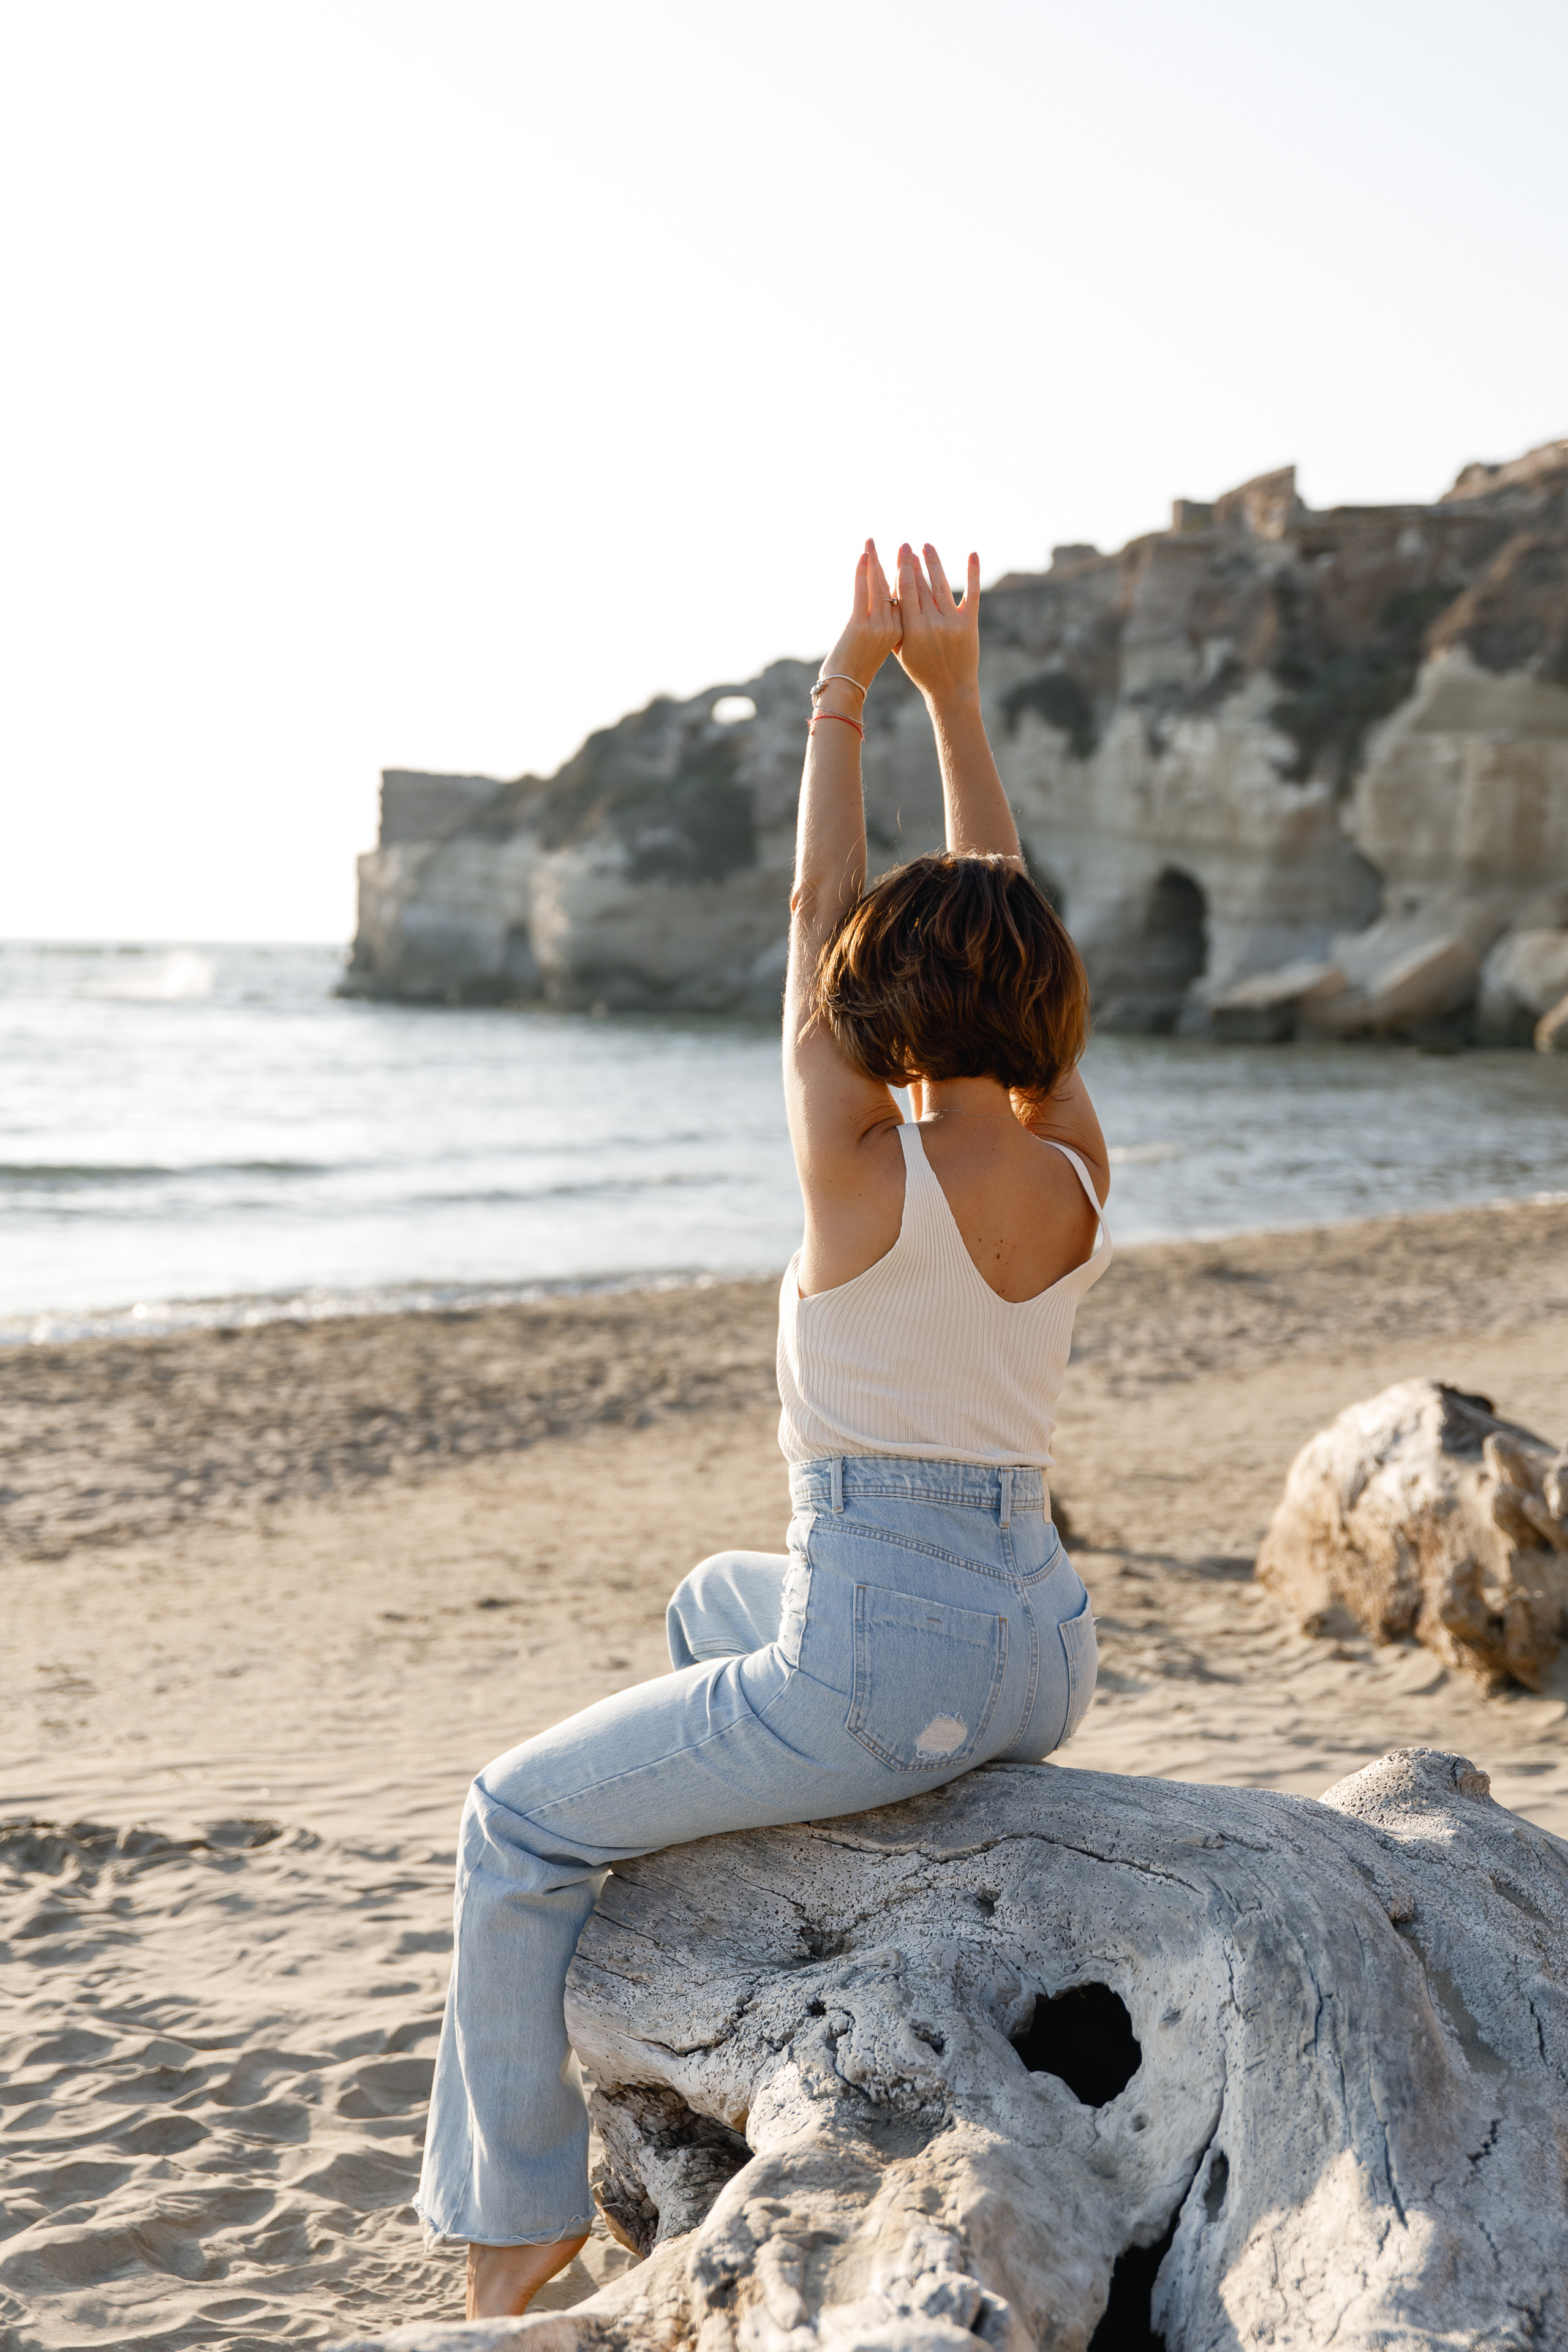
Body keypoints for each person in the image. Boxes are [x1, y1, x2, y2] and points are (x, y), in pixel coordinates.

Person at [415, 539, 1113, 2320]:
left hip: (885, 1667)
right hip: (1039, 1649)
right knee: (709, 1600)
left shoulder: (853, 1164)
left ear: (880, 1002)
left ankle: (513, 2246)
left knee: (511, 1820)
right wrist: (963, 698)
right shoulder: (1068, 1163)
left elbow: (820, 916)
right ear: (1040, 1002)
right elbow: (999, 910)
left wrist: (848, 686)